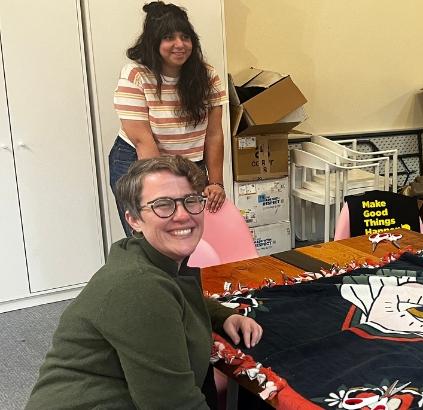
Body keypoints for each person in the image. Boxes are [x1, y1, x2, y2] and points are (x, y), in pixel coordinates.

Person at [27, 156, 262, 409]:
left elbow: (178, 295)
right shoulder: (139, 287)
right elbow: (175, 404)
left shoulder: (144, 258)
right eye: (163, 205)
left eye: (191, 201)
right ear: (134, 219)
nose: (183, 215)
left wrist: (223, 315)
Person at [109, 1, 228, 237]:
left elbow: (214, 134)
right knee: (149, 237)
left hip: (190, 163)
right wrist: (164, 192)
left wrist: (215, 183)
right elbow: (143, 142)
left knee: (191, 238)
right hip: (139, 161)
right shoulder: (136, 75)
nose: (179, 45)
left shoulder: (207, 76)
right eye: (168, 38)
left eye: (185, 37)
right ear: (154, 43)